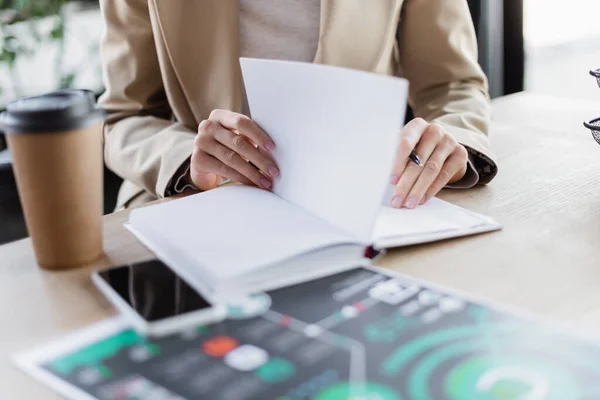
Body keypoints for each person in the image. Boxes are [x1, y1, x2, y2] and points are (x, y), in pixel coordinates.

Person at [99, 0, 497, 211]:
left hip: (360, 206)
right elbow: (125, 116)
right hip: (196, 204)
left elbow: (452, 84)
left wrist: (450, 143)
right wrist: (185, 161)